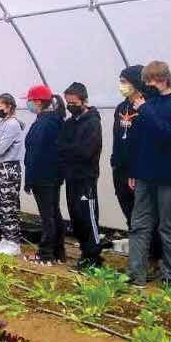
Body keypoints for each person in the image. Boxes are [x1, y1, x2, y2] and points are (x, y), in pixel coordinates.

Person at [128, 61, 171, 287]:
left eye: (151, 80)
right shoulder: (147, 104)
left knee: (168, 227)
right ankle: (136, 275)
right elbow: (138, 141)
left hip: (168, 175)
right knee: (139, 224)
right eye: (146, 81)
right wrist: (134, 170)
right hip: (144, 173)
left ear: (164, 79)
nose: (148, 85)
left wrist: (145, 110)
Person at [112, 65, 162, 274]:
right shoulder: (121, 108)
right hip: (121, 168)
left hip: (140, 170)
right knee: (130, 214)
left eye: (125, 81)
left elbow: (148, 141)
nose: (122, 85)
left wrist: (136, 169)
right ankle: (138, 259)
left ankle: (154, 258)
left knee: (147, 216)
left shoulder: (148, 108)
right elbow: (117, 137)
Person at [57, 82, 104, 271]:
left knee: (88, 216)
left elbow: (86, 151)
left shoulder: (92, 122)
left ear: (84, 101)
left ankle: (94, 257)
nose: (70, 106)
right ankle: (85, 253)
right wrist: (71, 150)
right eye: (68, 102)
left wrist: (70, 150)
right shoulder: (70, 123)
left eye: (74, 102)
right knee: (76, 216)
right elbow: (61, 146)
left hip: (86, 177)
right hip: (71, 176)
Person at [22, 85, 66, 266]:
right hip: (52, 174)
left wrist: (30, 178)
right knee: (54, 212)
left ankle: (46, 253)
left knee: (47, 215)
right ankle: (57, 252)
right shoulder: (53, 120)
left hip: (43, 175)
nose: (28, 103)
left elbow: (36, 153)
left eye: (30, 100)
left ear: (38, 101)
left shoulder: (45, 123)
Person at [0, 93, 25, 256]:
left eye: (0, 106)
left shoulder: (13, 124)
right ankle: (5, 238)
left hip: (9, 168)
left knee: (9, 205)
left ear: (9, 106)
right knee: (1, 204)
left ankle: (14, 242)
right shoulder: (0, 123)